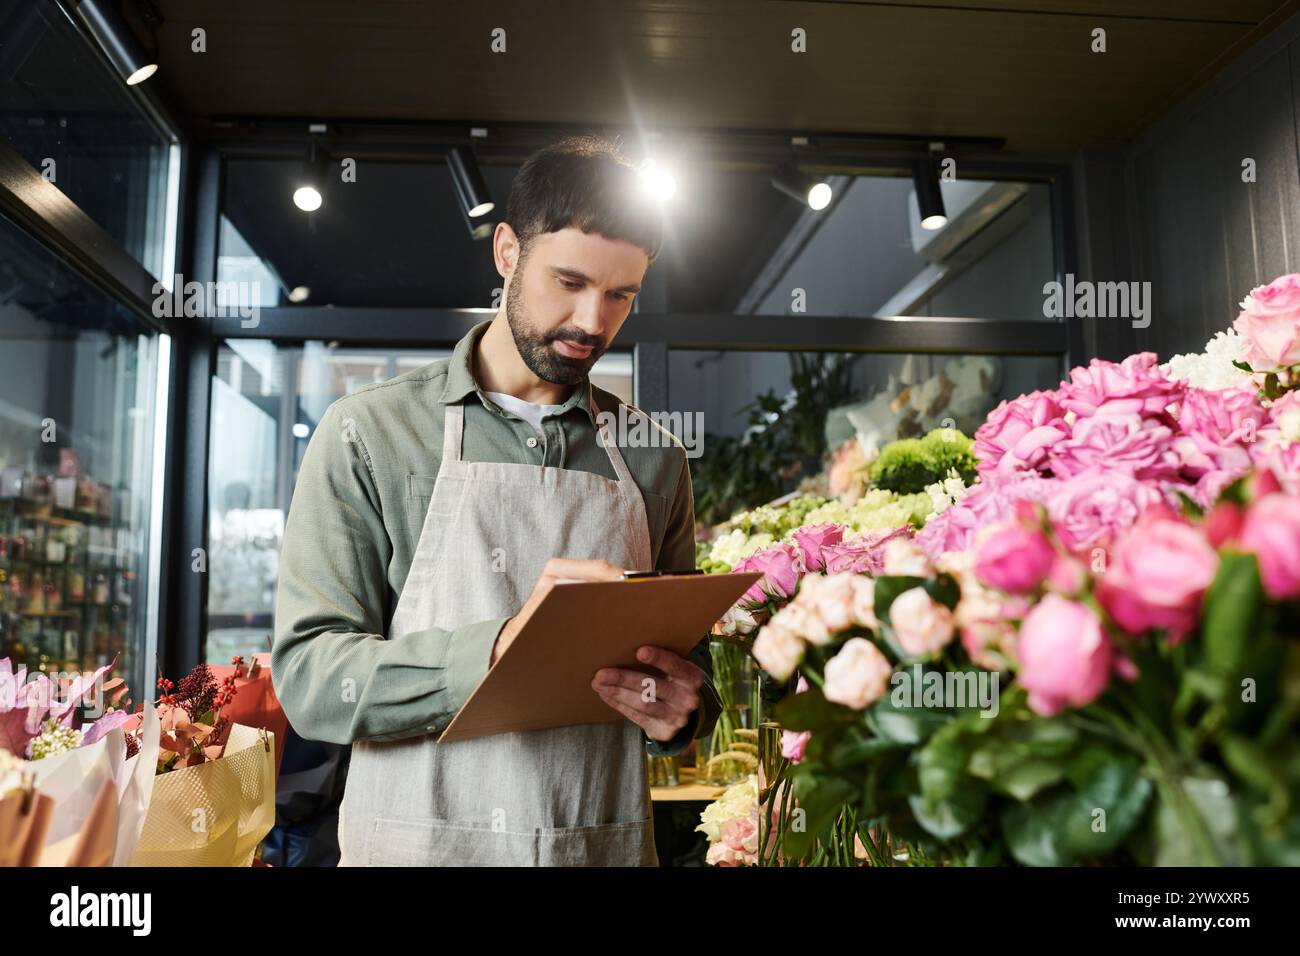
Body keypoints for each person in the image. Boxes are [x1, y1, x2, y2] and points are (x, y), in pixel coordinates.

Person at [272, 134, 721, 866]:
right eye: (568, 281)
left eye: (621, 295)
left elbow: (682, 669)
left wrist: (681, 714)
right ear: (507, 251)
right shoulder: (370, 433)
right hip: (417, 848)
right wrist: (498, 650)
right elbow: (312, 679)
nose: (591, 321)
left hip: (596, 846)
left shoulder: (655, 457)